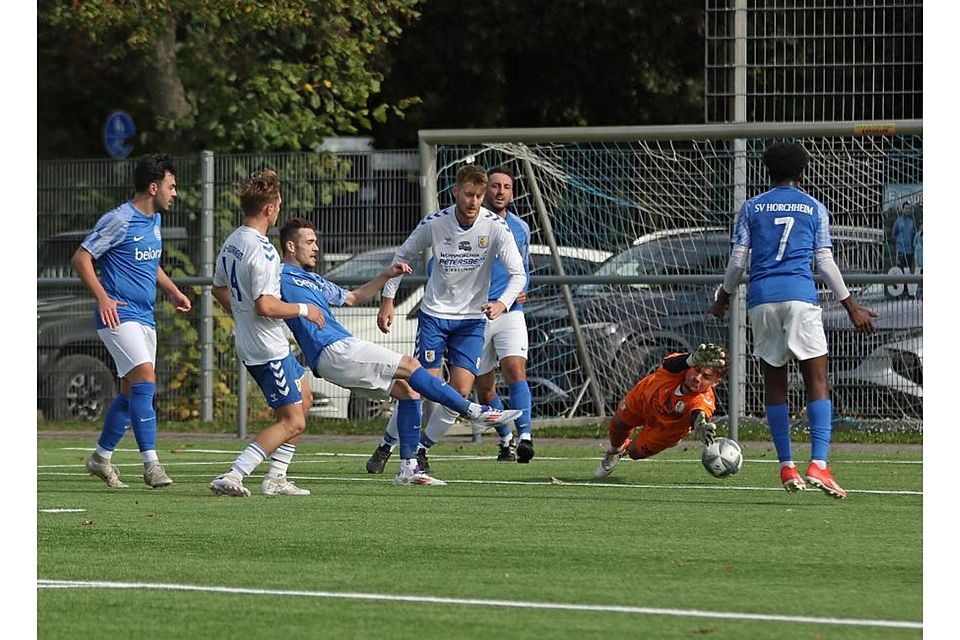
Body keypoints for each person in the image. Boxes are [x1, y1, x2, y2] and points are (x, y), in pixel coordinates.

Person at [278, 217, 522, 486]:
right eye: (310, 242)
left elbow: (353, 297)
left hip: (339, 350)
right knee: (409, 365)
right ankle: (473, 410)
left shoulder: (313, 280)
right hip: (332, 349)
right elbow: (258, 302)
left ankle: (408, 467)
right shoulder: (277, 275)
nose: (316, 247)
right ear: (290, 246)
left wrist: (386, 275)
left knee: (408, 392)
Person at [709, 141, 877, 499]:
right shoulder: (814, 208)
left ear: (767, 171)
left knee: (775, 382)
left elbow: (738, 261)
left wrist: (723, 297)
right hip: (800, 298)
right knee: (816, 379)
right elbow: (825, 263)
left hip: (762, 301)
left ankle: (787, 466)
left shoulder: (752, 207)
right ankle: (819, 463)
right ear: (803, 172)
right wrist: (851, 306)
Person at [367, 164, 526, 475]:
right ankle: (388, 444)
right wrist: (387, 301)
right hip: (435, 317)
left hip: (471, 321)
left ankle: (422, 449)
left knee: (459, 394)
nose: (474, 202)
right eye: (468, 194)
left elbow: (518, 274)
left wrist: (501, 303)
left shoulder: (495, 227)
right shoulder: (435, 224)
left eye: (480, 196)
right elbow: (402, 258)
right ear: (455, 192)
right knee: (423, 387)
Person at [72, 152, 192, 489]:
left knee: (130, 393)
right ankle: (151, 464)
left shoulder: (154, 221)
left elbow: (149, 263)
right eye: (172, 186)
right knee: (145, 380)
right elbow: (82, 257)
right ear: (154, 187)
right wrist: (102, 296)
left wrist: (171, 290)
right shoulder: (119, 219)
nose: (175, 192)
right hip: (117, 314)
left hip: (145, 315)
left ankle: (100, 457)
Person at [208, 169, 325, 498]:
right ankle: (235, 473)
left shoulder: (233, 241)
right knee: (293, 421)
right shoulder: (264, 250)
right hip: (267, 347)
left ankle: (277, 477)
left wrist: (242, 314)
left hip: (257, 342)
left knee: (304, 399)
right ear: (269, 209)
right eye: (279, 203)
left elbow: (218, 289)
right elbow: (266, 306)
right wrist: (305, 310)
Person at [474, 166, 536, 463]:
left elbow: (524, 270)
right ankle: (507, 438)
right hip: (475, 315)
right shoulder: (469, 223)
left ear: (512, 193)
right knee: (485, 389)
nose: (500, 192)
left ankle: (525, 436)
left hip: (510, 311)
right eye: (495, 186)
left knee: (515, 371)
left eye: (506, 187)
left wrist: (524, 288)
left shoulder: (521, 228)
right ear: (485, 190)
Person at [594, 343, 728, 478]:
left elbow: (698, 412)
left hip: (666, 429)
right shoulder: (679, 367)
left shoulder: (705, 401)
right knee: (618, 424)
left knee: (635, 453)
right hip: (643, 398)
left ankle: (627, 449)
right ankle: (614, 451)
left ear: (716, 382)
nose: (697, 378)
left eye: (706, 377)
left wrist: (699, 424)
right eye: (696, 369)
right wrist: (692, 359)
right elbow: (669, 363)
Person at [892, 202, 916, 271]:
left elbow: (912, 235)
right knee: (899, 270)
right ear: (902, 210)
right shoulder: (898, 221)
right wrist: (899, 243)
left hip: (909, 251)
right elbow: (893, 235)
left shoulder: (911, 222)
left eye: (909, 209)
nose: (907, 210)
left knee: (908, 271)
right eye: (906, 209)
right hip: (900, 250)